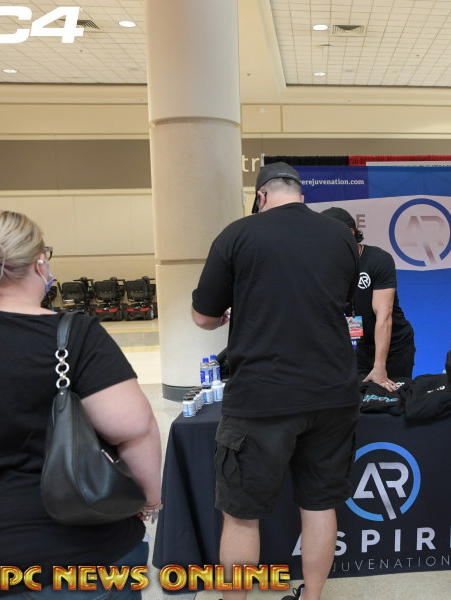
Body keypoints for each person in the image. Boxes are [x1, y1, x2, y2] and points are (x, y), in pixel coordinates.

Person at [0, 209, 162, 599]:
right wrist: (149, 498)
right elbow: (132, 425)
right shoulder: (72, 335)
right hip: (77, 551)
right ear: (40, 262)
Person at [191, 162, 360, 600]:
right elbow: (340, 301)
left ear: (261, 196)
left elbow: (204, 316)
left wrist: (233, 311)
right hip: (333, 391)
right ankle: (313, 596)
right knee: (320, 505)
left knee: (241, 515)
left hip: (262, 396)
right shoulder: (340, 235)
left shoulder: (238, 234)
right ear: (301, 196)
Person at [321, 206, 415, 390]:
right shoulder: (328, 266)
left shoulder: (378, 259)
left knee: (394, 399)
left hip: (394, 347)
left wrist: (380, 366)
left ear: (351, 233)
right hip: (360, 347)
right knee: (359, 400)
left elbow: (384, 315)